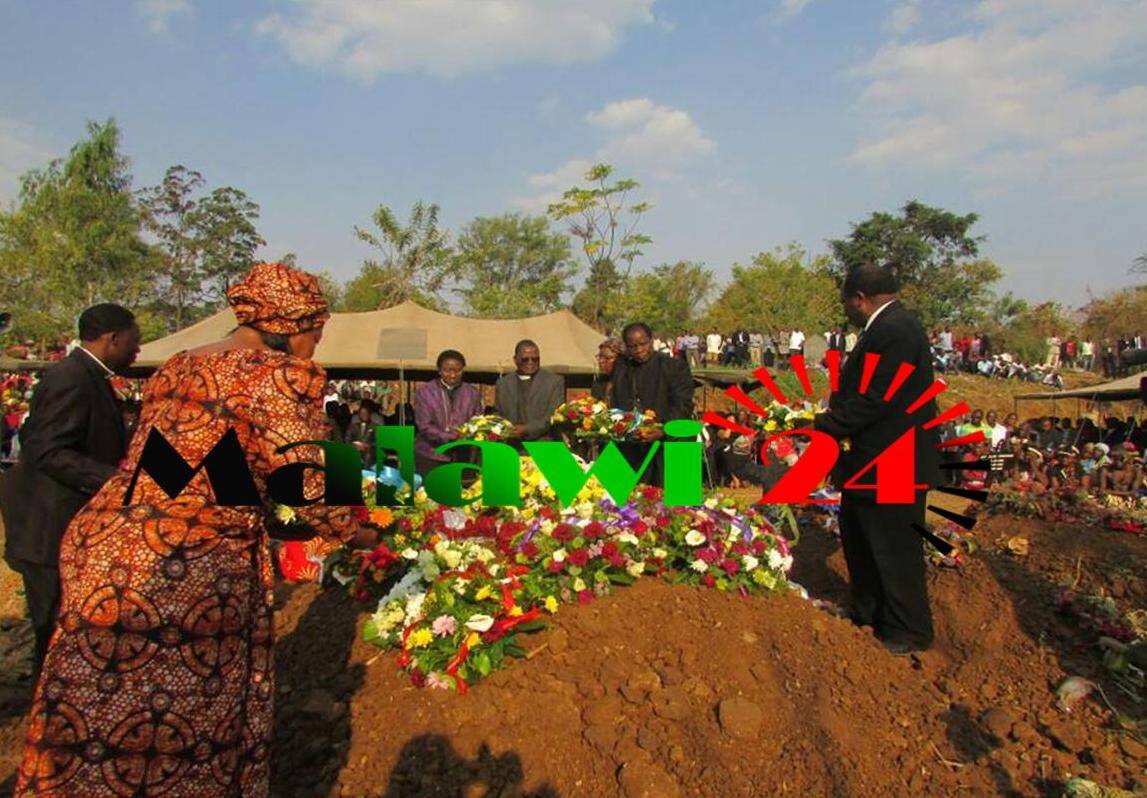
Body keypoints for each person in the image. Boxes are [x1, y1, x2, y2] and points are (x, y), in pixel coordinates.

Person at [12, 263, 370, 798]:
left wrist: (258, 514)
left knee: (101, 702)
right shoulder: (277, 372)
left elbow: (195, 468)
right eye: (316, 331)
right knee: (181, 713)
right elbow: (309, 477)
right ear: (292, 322)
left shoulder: (179, 367)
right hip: (185, 563)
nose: (315, 345)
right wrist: (360, 526)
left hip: (106, 541)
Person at [0, 304, 141, 675]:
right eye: (134, 341)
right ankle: (44, 719)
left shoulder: (85, 375)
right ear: (113, 339)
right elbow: (46, 449)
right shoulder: (73, 378)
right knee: (53, 631)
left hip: (55, 523)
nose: (138, 350)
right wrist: (115, 480)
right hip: (47, 526)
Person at [813, 264, 939, 655]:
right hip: (871, 457)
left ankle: (907, 630)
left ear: (860, 299)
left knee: (893, 546)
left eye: (846, 303)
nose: (846, 310)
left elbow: (879, 397)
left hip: (895, 457)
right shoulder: (883, 330)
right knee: (861, 536)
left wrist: (824, 423)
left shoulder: (896, 330)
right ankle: (868, 613)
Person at [611, 322, 695, 486]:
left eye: (643, 344)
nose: (639, 350)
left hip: (675, 443)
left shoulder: (673, 366)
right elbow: (619, 403)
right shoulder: (623, 369)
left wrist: (662, 429)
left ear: (651, 341)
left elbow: (683, 405)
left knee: (681, 507)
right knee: (636, 505)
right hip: (636, 447)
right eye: (632, 346)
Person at [414, 349, 483, 476]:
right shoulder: (425, 392)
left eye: (457, 371)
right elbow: (424, 425)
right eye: (447, 370)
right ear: (439, 370)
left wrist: (473, 434)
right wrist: (451, 436)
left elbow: (478, 421)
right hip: (431, 455)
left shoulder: (472, 393)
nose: (452, 375)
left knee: (461, 494)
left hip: (462, 456)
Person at [494, 339, 565, 445]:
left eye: (535, 359)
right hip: (511, 445)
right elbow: (498, 414)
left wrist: (526, 429)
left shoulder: (554, 382)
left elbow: (553, 415)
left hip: (543, 444)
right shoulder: (503, 384)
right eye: (525, 359)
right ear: (515, 359)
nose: (530, 362)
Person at [591, 339, 625, 405]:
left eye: (607, 358)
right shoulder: (599, 381)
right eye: (600, 357)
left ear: (621, 359)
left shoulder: (630, 382)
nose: (601, 361)